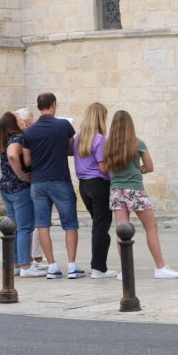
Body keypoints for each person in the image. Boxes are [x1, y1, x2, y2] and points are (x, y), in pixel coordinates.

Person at [102, 110, 178, 279]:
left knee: (121, 231)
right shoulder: (138, 143)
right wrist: (137, 171)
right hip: (135, 190)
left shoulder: (108, 145)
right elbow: (150, 166)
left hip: (116, 190)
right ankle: (160, 267)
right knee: (151, 227)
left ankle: (125, 270)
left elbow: (104, 168)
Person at [22, 92, 85, 279]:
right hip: (60, 179)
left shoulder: (29, 131)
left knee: (42, 225)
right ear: (54, 104)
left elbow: (27, 159)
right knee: (70, 223)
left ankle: (51, 267)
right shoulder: (63, 125)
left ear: (38, 106)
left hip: (38, 181)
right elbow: (71, 149)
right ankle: (72, 266)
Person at [0, 112, 46, 278]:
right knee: (25, 228)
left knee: (15, 228)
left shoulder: (4, 140)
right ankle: (26, 265)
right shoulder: (17, 138)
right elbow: (12, 154)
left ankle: (16, 263)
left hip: (6, 187)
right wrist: (20, 174)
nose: (21, 119)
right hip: (19, 188)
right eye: (18, 118)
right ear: (13, 123)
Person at [73, 102, 116, 279]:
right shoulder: (100, 139)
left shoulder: (78, 138)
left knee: (98, 225)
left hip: (84, 186)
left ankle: (99, 265)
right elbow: (103, 168)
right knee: (101, 227)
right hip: (99, 184)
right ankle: (99, 267)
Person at [15, 107, 47, 270]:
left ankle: (20, 260)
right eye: (30, 120)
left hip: (21, 185)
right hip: (27, 183)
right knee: (30, 224)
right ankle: (32, 259)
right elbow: (24, 160)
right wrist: (21, 175)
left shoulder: (16, 138)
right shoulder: (21, 138)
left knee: (23, 225)